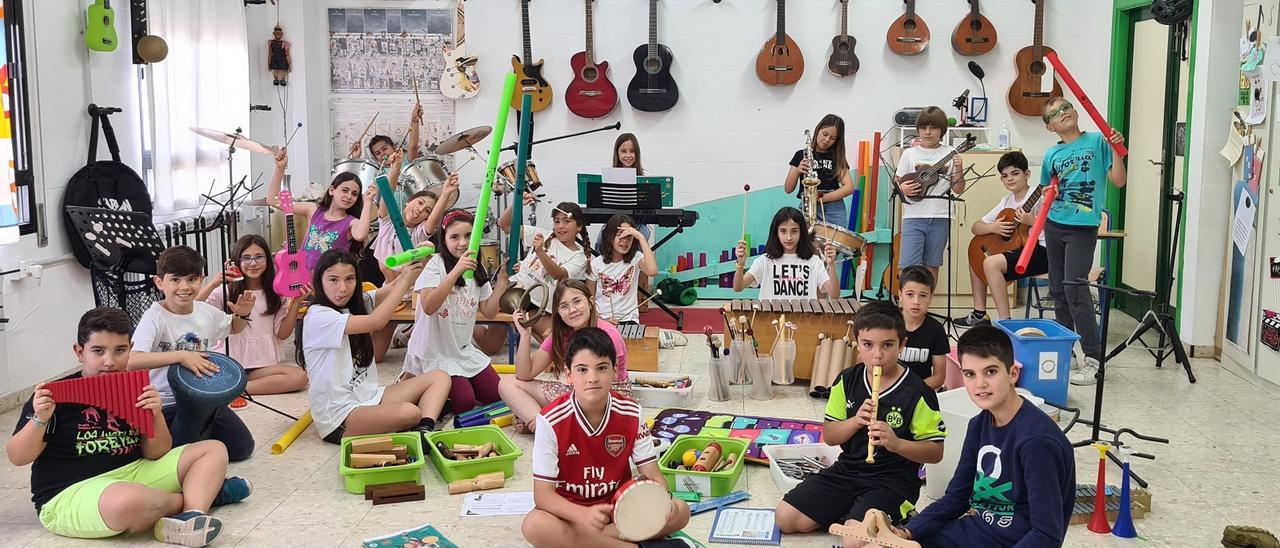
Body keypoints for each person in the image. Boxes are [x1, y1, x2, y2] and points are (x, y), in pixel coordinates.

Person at [7, 308, 249, 546]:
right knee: (127, 502)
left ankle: (191, 515)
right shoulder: (53, 397)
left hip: (134, 472)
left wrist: (155, 415)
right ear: (80, 352)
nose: (109, 362)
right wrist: (40, 418)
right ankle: (208, 495)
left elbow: (156, 453)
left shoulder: (136, 390)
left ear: (130, 350)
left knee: (213, 449)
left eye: (120, 350)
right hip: (70, 492)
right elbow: (18, 457)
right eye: (98, 351)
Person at [867, 325, 1075, 548]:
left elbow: (1046, 535)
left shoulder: (1037, 442)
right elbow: (956, 498)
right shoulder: (979, 424)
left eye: (991, 372)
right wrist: (907, 532)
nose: (980, 384)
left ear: (1013, 373)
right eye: (970, 374)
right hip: (973, 532)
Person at [774, 301, 945, 536]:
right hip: (848, 471)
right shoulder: (846, 380)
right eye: (868, 345)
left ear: (902, 345)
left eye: (887, 345)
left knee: (855, 541)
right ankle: (854, 513)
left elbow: (936, 453)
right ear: (857, 344)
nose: (877, 355)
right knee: (786, 519)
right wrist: (855, 421)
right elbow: (831, 437)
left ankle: (880, 516)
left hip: (893, 481)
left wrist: (895, 443)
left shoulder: (918, 392)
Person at [520, 327, 690, 548]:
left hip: (619, 511)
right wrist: (582, 515)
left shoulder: (631, 412)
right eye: (582, 370)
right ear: (568, 375)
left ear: (614, 370)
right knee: (534, 525)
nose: (592, 378)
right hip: (572, 516)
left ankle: (596, 541)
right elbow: (543, 496)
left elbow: (653, 474)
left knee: (680, 510)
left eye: (601, 368)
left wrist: (661, 497)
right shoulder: (550, 420)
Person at [298, 249, 451, 443]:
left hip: (369, 395)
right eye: (333, 280)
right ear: (319, 280)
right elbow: (376, 322)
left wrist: (413, 269)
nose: (343, 288)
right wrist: (405, 280)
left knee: (440, 377)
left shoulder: (355, 303)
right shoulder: (318, 316)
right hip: (339, 415)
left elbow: (391, 290)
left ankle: (424, 429)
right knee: (409, 412)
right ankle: (419, 418)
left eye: (350, 279)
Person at [127, 246, 256, 462]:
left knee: (243, 448)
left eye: (191, 279)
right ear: (160, 283)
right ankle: (191, 443)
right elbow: (133, 360)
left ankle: (200, 439)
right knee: (177, 458)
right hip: (166, 403)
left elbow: (233, 327)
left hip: (204, 397)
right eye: (175, 280)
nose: (184, 287)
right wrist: (181, 356)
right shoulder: (154, 317)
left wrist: (243, 315)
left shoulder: (205, 312)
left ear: (201, 279)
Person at [1038, 97, 1126, 385]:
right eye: (1055, 113)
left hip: (1082, 227)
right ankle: (1068, 355)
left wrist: (1117, 150)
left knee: (1076, 289)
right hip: (1054, 225)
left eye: (1065, 108)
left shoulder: (1099, 141)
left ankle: (1093, 358)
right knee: (1058, 290)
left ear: (1075, 111)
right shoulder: (1052, 154)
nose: (1062, 114)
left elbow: (1118, 180)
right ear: (1050, 126)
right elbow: (1045, 191)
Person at [402, 209, 510, 413]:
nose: (463, 243)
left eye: (469, 236)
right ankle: (414, 383)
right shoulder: (436, 263)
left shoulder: (476, 267)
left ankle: (437, 387)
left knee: (496, 394)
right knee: (464, 402)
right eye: (454, 237)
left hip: (461, 350)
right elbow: (429, 306)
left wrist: (502, 283)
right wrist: (456, 271)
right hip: (434, 353)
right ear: (444, 239)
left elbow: (488, 311)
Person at [499, 280, 632, 435]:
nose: (572, 310)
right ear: (558, 313)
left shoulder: (608, 335)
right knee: (507, 383)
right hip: (578, 393)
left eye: (577, 301)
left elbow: (600, 385)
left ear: (590, 302)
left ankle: (548, 426)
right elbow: (524, 374)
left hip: (609, 398)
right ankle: (543, 426)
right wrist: (525, 335)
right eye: (564, 306)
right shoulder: (561, 333)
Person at [197, 235, 308, 403]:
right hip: (230, 362)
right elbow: (193, 309)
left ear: (268, 260)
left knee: (300, 377)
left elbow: (283, 334)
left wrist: (296, 303)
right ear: (236, 260)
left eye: (259, 257)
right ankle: (230, 385)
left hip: (260, 366)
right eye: (246, 258)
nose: (253, 263)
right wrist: (214, 282)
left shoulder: (276, 293)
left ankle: (235, 390)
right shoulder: (225, 291)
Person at [956, 151, 1050, 326]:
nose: (1010, 179)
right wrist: (993, 227)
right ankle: (979, 314)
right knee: (976, 254)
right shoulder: (1006, 201)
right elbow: (976, 227)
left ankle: (1006, 322)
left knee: (991, 263)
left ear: (1027, 174)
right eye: (1005, 176)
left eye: (1015, 173)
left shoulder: (1040, 196)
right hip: (1020, 251)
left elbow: (1055, 226)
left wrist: (1032, 221)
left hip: (1042, 252)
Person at [266, 148, 376, 271]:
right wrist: (280, 168)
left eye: (355, 194)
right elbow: (273, 200)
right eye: (345, 190)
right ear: (332, 190)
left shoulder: (351, 222)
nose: (349, 196)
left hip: (328, 282)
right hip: (303, 278)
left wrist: (367, 201)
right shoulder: (313, 210)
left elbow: (360, 235)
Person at [499, 197, 592, 337]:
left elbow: (559, 275)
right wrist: (517, 204)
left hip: (542, 307)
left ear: (578, 226)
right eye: (557, 221)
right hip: (516, 290)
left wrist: (540, 252)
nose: (561, 226)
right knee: (491, 346)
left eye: (567, 221)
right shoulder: (544, 234)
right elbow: (505, 225)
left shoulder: (580, 256)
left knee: (554, 341)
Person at [896, 106, 965, 282]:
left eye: (933, 128)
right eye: (924, 128)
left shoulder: (950, 153)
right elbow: (897, 183)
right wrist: (903, 189)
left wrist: (958, 168)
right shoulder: (909, 154)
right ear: (918, 129)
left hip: (941, 216)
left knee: (932, 265)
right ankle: (907, 308)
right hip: (913, 216)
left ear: (941, 130)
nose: (928, 132)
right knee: (908, 266)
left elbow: (958, 189)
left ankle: (925, 306)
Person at [733, 206, 838, 300]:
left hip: (803, 320)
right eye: (783, 231)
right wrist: (740, 264)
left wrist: (831, 264)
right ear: (776, 233)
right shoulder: (764, 261)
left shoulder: (814, 261)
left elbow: (834, 294)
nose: (789, 237)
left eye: (794, 231)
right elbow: (738, 287)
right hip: (771, 320)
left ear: (802, 233)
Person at [783, 114, 857, 228]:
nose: (827, 140)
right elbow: (788, 189)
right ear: (818, 130)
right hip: (808, 205)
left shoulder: (837, 157)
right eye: (825, 134)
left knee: (833, 244)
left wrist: (823, 198)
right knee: (807, 243)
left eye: (833, 138)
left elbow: (849, 187)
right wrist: (798, 171)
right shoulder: (800, 155)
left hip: (834, 208)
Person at [591, 214, 658, 324]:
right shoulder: (596, 264)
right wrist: (600, 319)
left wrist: (640, 237)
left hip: (629, 318)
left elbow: (652, 271)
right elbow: (589, 299)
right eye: (620, 235)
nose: (625, 241)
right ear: (609, 236)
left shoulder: (636, 258)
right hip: (602, 319)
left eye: (629, 236)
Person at [898, 266, 949, 390]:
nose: (916, 301)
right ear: (900, 295)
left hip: (921, 390)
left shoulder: (936, 330)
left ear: (930, 298)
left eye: (923, 295)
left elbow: (939, 377)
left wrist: (912, 390)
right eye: (910, 294)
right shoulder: (887, 324)